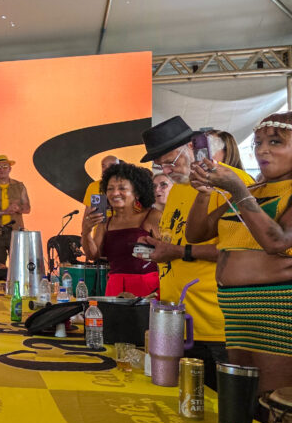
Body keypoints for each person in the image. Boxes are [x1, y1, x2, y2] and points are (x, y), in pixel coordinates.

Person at [137, 117, 254, 389]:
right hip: (177, 319)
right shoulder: (178, 188)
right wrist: (158, 246)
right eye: (160, 165)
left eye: (171, 160)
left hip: (217, 322)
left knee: (220, 410)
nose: (166, 169)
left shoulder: (231, 181)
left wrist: (177, 251)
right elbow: (175, 237)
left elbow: (240, 250)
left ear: (194, 146)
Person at [187, 112, 292, 392]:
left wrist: (236, 187)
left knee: (274, 400)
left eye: (275, 142)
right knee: (243, 402)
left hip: (276, 310)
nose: (263, 150)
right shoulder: (252, 192)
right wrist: (205, 192)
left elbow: (278, 242)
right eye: (257, 143)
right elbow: (197, 233)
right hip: (235, 312)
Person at [81, 163, 161, 296]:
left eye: (122, 188)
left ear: (137, 193)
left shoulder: (153, 216)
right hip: (114, 288)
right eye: (110, 189)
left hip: (147, 289)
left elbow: (167, 254)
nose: (115, 193)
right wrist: (86, 232)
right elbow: (92, 256)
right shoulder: (105, 223)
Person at [0, 154, 31, 265]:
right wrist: (4, 212)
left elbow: (27, 208)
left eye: (4, 166)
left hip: (16, 231)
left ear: (10, 169)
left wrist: (18, 209)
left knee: (19, 264)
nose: (1, 169)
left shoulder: (19, 186)